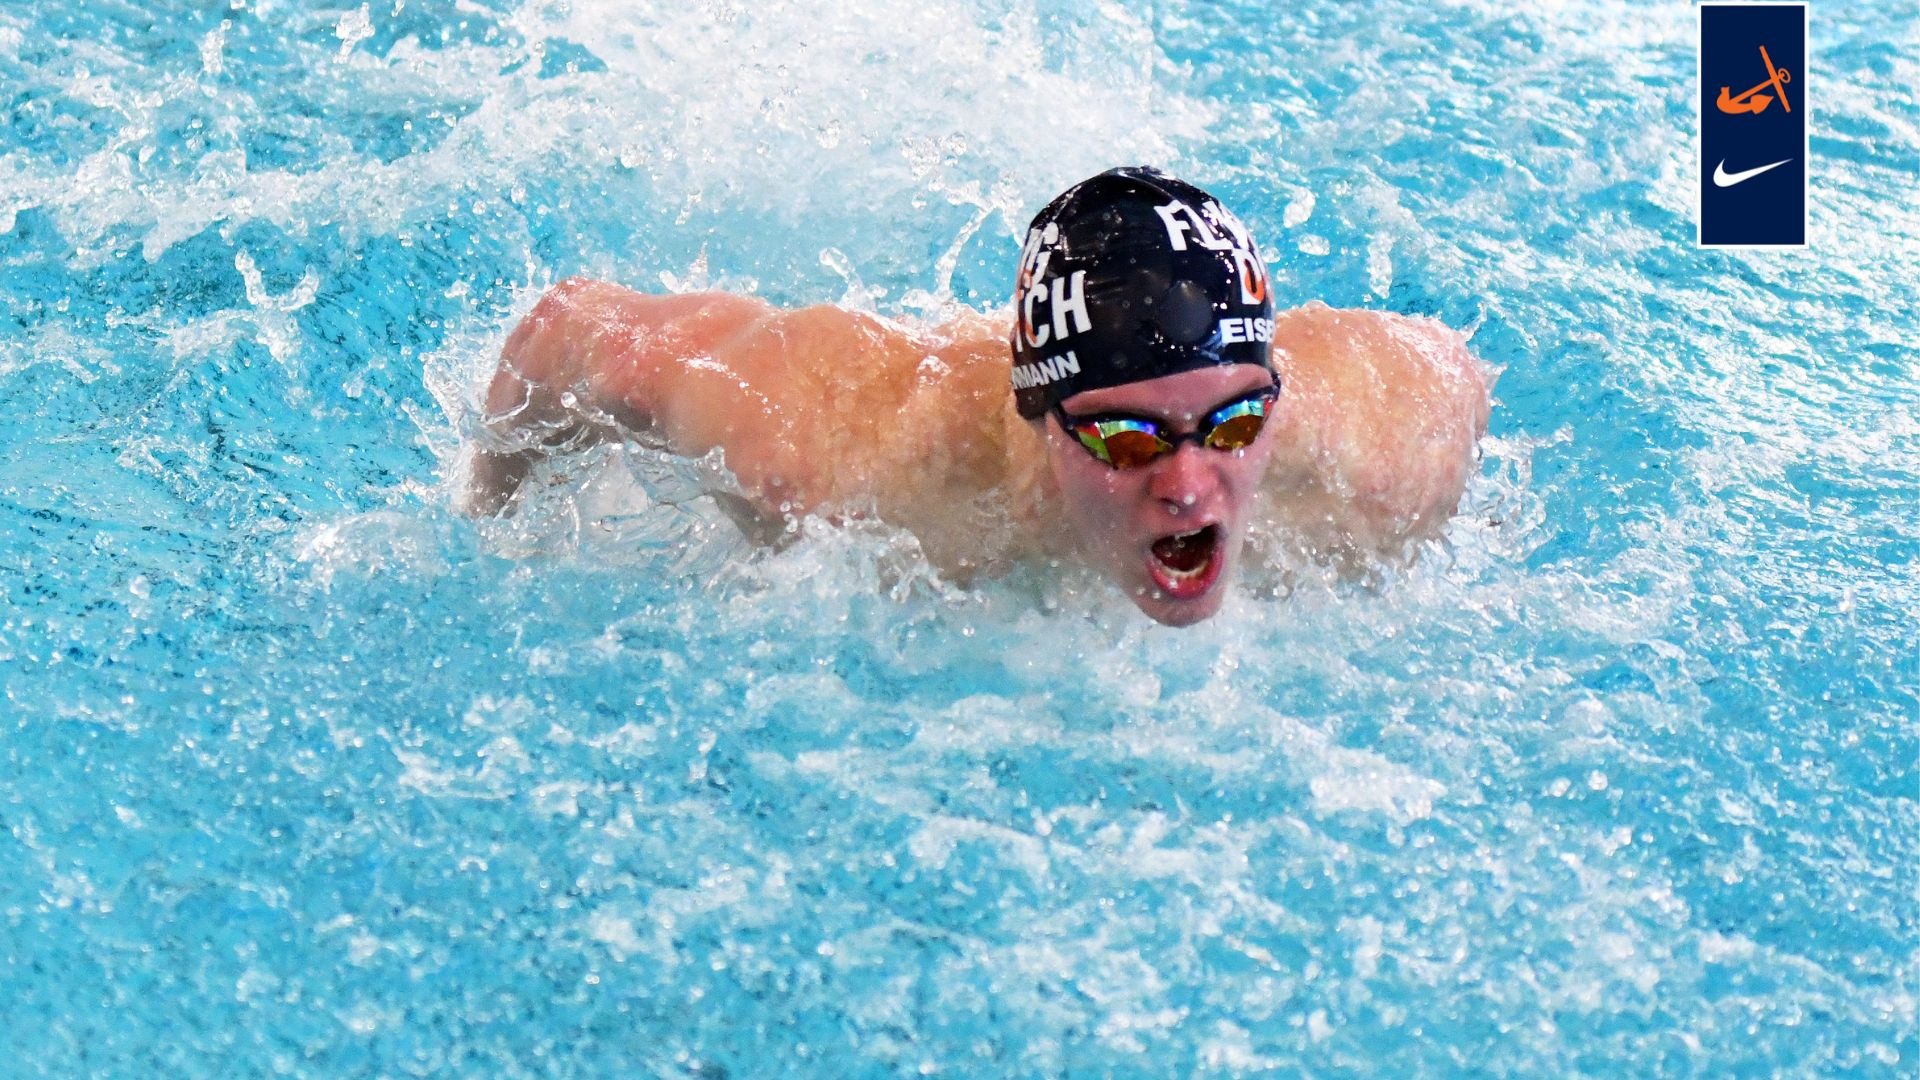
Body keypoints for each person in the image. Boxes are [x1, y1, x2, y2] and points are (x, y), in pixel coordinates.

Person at [468, 167, 1494, 626]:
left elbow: (1456, 369)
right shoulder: (829, 449)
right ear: (1040, 416)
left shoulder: (1382, 459)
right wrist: (486, 514)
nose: (1191, 483)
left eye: (1229, 421)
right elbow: (573, 330)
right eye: (1129, 437)